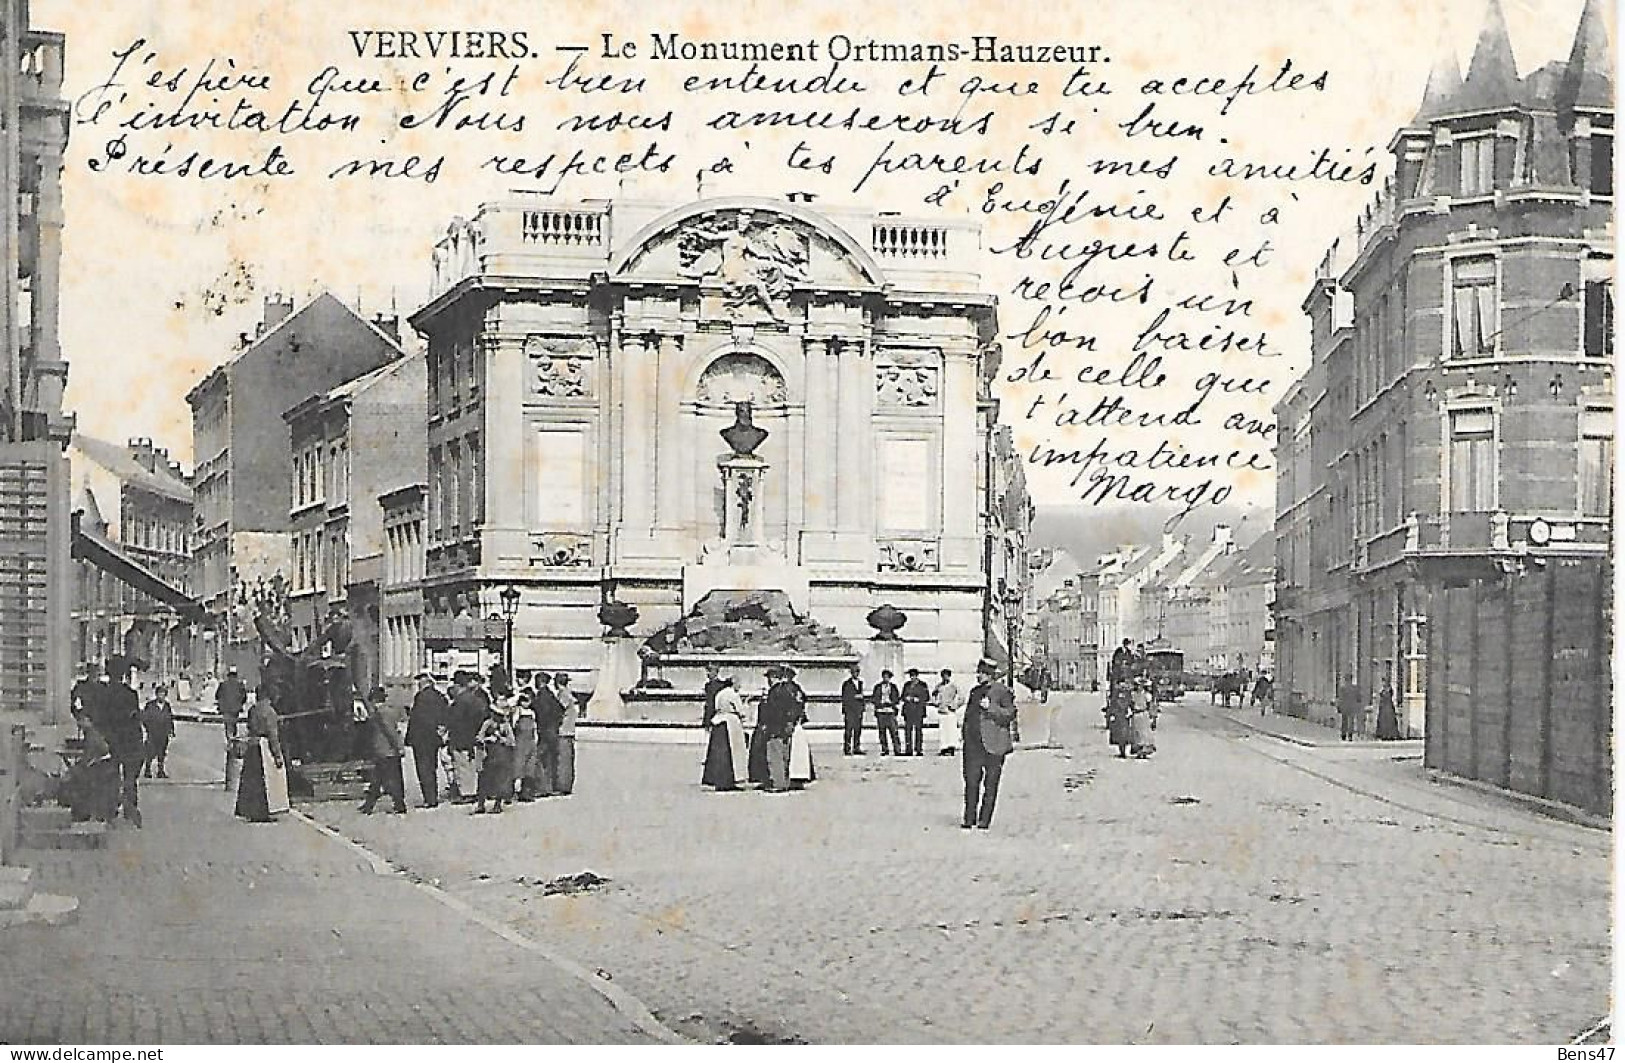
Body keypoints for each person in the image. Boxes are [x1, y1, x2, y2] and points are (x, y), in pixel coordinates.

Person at [88, 657, 145, 828]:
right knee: (129, 778)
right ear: (123, 674)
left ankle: (109, 810)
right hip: (129, 741)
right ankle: (130, 809)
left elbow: (97, 717)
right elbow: (135, 720)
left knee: (109, 776)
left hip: (109, 740)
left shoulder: (101, 693)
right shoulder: (130, 694)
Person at [962, 658, 1016, 830]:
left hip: (994, 744)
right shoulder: (974, 692)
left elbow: (1010, 714)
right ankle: (969, 818)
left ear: (989, 675)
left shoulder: (1002, 691)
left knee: (990, 784)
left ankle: (984, 820)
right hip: (973, 744)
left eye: (981, 673)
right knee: (971, 782)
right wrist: (965, 734)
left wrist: (990, 707)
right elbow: (969, 714)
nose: (978, 676)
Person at [235, 686, 287, 822]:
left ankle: (249, 810)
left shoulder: (253, 709)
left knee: (250, 780)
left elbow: (249, 727)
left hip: (252, 745)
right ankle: (262, 812)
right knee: (265, 780)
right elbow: (273, 735)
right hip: (263, 746)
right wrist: (277, 755)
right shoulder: (270, 712)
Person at [359, 687, 408, 814]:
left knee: (388, 779)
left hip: (386, 750)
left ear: (375, 699)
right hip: (386, 750)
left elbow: (390, 731)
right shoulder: (386, 711)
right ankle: (370, 804)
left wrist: (399, 747)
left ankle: (398, 804)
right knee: (379, 778)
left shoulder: (382, 712)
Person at [405, 672, 447, 808]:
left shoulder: (420, 697)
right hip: (434, 737)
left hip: (421, 738)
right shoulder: (440, 697)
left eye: (419, 683)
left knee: (423, 768)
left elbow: (417, 719)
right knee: (432, 767)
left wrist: (409, 737)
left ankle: (429, 798)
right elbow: (445, 714)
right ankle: (432, 796)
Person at [701, 675, 749, 790]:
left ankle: (717, 778)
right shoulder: (733, 694)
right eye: (738, 683)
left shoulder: (720, 693)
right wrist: (746, 704)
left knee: (720, 753)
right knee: (732, 752)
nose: (740, 686)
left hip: (719, 721)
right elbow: (741, 711)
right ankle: (730, 780)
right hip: (731, 723)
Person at [446, 672, 487, 803]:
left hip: (460, 737)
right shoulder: (477, 700)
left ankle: (467, 794)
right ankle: (474, 791)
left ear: (458, 686)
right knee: (472, 765)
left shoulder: (460, 701)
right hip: (473, 736)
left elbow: (454, 720)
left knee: (462, 766)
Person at [473, 700, 515, 814]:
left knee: (500, 779)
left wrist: (501, 739)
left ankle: (498, 804)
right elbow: (479, 737)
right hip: (489, 754)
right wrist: (487, 739)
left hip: (501, 755)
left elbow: (512, 741)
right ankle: (481, 804)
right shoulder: (487, 723)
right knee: (484, 779)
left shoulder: (506, 726)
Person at [530, 673, 565, 796]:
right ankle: (550, 786)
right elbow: (560, 710)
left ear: (540, 681)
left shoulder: (542, 696)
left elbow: (542, 713)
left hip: (545, 731)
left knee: (539, 758)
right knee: (550, 759)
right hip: (552, 731)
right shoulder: (551, 695)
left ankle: (542, 788)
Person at [783, 666, 815, 788]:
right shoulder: (794, 688)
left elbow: (800, 702)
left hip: (793, 721)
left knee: (796, 747)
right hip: (795, 720)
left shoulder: (791, 689)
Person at [551, 672, 579, 796]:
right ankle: (566, 784)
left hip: (563, 730)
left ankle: (563, 785)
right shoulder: (569, 693)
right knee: (567, 759)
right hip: (570, 729)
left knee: (563, 760)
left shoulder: (563, 695)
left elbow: (558, 710)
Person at [512, 685, 540, 802]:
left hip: (530, 741)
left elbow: (535, 727)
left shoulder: (532, 713)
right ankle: (515, 791)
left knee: (530, 767)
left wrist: (535, 740)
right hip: (520, 741)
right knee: (518, 767)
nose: (526, 703)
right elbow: (513, 725)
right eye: (523, 700)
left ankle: (527, 792)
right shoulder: (518, 711)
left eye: (528, 700)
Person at [140, 685, 174, 779]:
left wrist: (171, 730)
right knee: (150, 752)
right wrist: (148, 728)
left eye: (163, 694)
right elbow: (145, 718)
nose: (161, 696)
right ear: (156, 694)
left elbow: (170, 718)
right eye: (160, 694)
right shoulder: (150, 705)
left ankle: (160, 770)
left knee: (162, 753)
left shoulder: (167, 706)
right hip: (153, 732)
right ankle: (147, 770)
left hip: (163, 733)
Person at [900, 667, 931, 756]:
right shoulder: (907, 685)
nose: (912, 677)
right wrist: (906, 698)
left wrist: (919, 699)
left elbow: (926, 697)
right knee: (908, 730)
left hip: (918, 710)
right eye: (911, 676)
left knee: (918, 730)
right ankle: (908, 749)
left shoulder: (923, 685)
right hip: (908, 710)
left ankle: (918, 749)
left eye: (914, 676)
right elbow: (902, 696)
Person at [871, 669, 901, 756]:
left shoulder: (893, 687)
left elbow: (897, 699)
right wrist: (880, 704)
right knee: (882, 732)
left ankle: (897, 749)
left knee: (894, 732)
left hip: (890, 711)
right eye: (884, 677)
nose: (886, 678)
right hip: (881, 711)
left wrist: (891, 703)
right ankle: (885, 749)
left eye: (887, 677)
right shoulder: (878, 687)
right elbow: (874, 699)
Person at [933, 669, 961, 756]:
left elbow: (962, 697)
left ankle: (951, 748)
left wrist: (955, 705)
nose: (945, 677)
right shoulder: (939, 686)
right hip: (942, 711)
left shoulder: (953, 686)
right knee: (943, 731)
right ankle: (944, 748)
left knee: (951, 731)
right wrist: (936, 703)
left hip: (950, 711)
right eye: (943, 675)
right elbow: (933, 695)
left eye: (946, 675)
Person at [839, 663, 866, 756]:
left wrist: (862, 707)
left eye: (857, 672)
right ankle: (847, 747)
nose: (856, 674)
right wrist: (854, 697)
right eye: (854, 672)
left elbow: (862, 696)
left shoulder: (860, 683)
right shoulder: (847, 684)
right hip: (850, 710)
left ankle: (856, 747)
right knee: (848, 730)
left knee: (858, 729)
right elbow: (845, 697)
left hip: (858, 710)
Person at [216, 667, 247, 741]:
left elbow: (217, 695)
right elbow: (244, 697)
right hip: (235, 709)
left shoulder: (223, 684)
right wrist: (240, 703)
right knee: (233, 723)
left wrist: (221, 703)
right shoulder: (240, 685)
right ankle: (233, 739)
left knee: (227, 725)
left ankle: (229, 739)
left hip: (225, 708)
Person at [1129, 677, 1156, 759]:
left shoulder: (1147, 695)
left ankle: (1144, 751)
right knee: (1136, 733)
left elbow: (1150, 706)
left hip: (1144, 714)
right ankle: (1138, 750)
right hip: (1136, 714)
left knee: (1144, 733)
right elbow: (1131, 704)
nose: (1139, 687)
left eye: (1140, 685)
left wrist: (1152, 717)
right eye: (1137, 685)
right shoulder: (1133, 695)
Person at [1375, 675, 1401, 741]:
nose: (1383, 683)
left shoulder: (1389, 689)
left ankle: (1390, 735)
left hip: (1388, 706)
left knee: (1389, 720)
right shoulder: (1382, 689)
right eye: (1382, 681)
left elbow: (1388, 696)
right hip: (1383, 707)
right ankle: (1383, 734)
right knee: (1383, 721)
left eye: (1384, 681)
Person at [1338, 676, 1364, 742]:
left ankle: (1343, 735)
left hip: (1345, 707)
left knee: (1344, 722)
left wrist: (1339, 707)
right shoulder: (1355, 689)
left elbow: (1340, 699)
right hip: (1352, 707)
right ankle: (1350, 735)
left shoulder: (1342, 689)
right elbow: (1359, 699)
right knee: (1351, 722)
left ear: (1346, 681)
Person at [701, 664, 725, 730]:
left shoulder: (718, 685)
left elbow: (710, 703)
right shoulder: (708, 685)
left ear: (715, 672)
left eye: (709, 671)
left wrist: (707, 720)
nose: (707, 673)